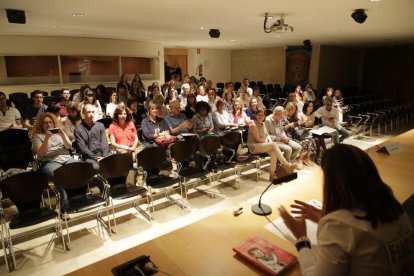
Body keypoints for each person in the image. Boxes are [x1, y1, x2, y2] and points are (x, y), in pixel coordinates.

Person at [278, 144, 414, 276]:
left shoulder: (339, 225)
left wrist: (302, 239)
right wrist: (324, 217)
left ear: (333, 181)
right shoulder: (393, 207)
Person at [32, 112, 77, 220]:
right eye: (45, 123)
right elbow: (41, 153)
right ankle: (63, 209)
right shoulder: (38, 137)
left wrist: (63, 135)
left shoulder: (59, 133)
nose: (48, 125)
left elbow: (69, 146)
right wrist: (47, 138)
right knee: (60, 176)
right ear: (41, 125)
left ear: (53, 123)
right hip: (49, 162)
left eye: (50, 122)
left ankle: (77, 200)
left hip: (66, 158)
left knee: (78, 170)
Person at [247, 108, 295, 181]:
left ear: (264, 116)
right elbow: (258, 140)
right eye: (258, 115)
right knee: (273, 144)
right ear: (255, 115)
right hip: (254, 146)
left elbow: (267, 135)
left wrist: (269, 141)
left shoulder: (263, 124)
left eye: (262, 115)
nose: (260, 116)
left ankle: (272, 175)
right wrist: (269, 143)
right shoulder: (253, 125)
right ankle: (286, 164)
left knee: (273, 153)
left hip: (262, 145)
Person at [74, 104, 110, 171]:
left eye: (93, 112)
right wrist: (96, 158)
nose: (91, 114)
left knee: (116, 161)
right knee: (97, 167)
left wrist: (104, 156)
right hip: (89, 157)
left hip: (102, 153)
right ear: (83, 113)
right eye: (89, 112)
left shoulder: (100, 125)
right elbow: (82, 148)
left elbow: (104, 142)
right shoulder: (78, 130)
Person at [284, 102, 317, 166]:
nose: (292, 112)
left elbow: (299, 127)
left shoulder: (294, 117)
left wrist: (300, 124)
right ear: (288, 109)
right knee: (305, 142)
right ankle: (300, 159)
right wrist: (289, 125)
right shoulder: (283, 117)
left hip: (296, 134)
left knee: (311, 140)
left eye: (294, 110)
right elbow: (283, 128)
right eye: (291, 110)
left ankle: (307, 158)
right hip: (288, 136)